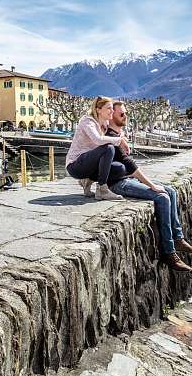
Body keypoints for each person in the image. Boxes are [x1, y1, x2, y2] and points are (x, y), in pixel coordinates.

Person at [104, 101, 192, 272]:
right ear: (112, 115)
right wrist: (152, 185)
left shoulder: (119, 135)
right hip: (118, 184)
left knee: (172, 191)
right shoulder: (111, 136)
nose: (125, 116)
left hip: (128, 180)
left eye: (125, 113)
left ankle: (178, 238)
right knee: (162, 196)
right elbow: (130, 165)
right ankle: (169, 252)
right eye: (121, 114)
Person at [66, 96, 130, 201]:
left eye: (112, 108)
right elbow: (98, 139)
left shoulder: (105, 123)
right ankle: (102, 190)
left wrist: (121, 135)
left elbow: (116, 130)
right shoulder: (87, 121)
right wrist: (119, 140)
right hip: (75, 165)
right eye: (109, 108)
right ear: (98, 110)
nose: (112, 111)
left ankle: (87, 181)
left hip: (90, 164)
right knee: (108, 148)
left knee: (119, 168)